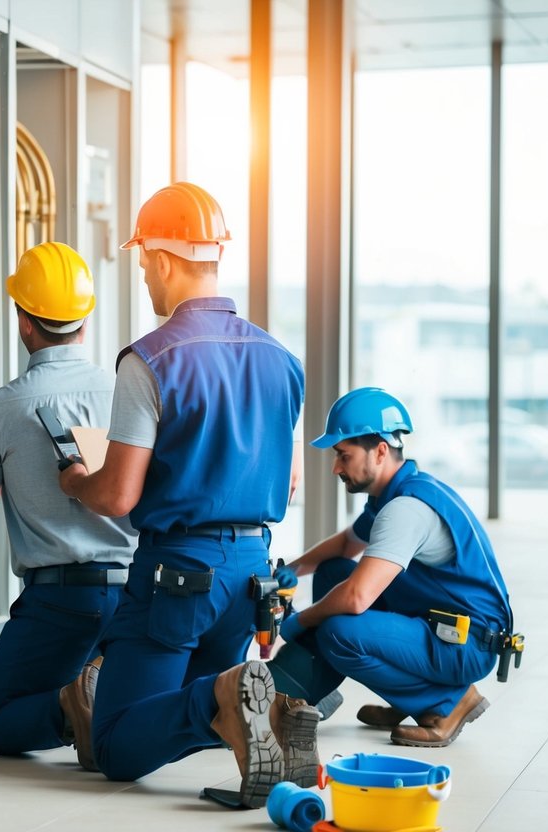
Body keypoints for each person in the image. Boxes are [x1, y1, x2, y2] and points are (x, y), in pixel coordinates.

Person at [56, 182, 315, 809]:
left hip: (178, 574)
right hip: (252, 574)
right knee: (179, 712)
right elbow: (290, 481)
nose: (145, 276)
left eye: (144, 262)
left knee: (116, 747)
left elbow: (118, 495)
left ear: (164, 259)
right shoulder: (281, 359)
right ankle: (263, 707)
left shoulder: (148, 360)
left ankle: (225, 697)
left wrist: (76, 480)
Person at [0, 242, 137, 768]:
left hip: (58, 600)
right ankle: (99, 700)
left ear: (24, 322)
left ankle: (70, 704)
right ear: (85, 321)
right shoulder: (125, 393)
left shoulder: (4, 405)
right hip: (132, 596)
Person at [268, 387, 515, 748]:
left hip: (467, 642)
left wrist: (300, 621)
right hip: (440, 623)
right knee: (333, 570)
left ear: (380, 451)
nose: (336, 468)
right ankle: (397, 697)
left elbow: (356, 598)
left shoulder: (405, 509)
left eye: (344, 455)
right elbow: (346, 545)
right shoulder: (393, 495)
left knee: (338, 632)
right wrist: (290, 569)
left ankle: (446, 703)